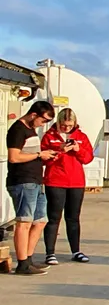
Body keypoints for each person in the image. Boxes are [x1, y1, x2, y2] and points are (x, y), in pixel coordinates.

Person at [6, 100, 58, 275]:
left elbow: (31, 155)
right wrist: (38, 154)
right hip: (22, 180)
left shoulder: (31, 130)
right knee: (24, 222)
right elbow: (14, 157)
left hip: (36, 180)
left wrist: (47, 155)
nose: (44, 124)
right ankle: (22, 263)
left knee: (40, 220)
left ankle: (28, 258)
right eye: (43, 121)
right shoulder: (18, 130)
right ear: (34, 114)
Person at [41, 107, 95, 265]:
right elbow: (44, 159)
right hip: (55, 180)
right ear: (58, 123)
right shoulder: (49, 136)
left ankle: (76, 250)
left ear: (74, 124)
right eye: (63, 125)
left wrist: (78, 149)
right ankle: (50, 253)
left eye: (69, 126)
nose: (66, 128)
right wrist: (60, 150)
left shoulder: (81, 137)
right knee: (53, 217)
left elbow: (87, 158)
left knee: (73, 218)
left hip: (76, 182)